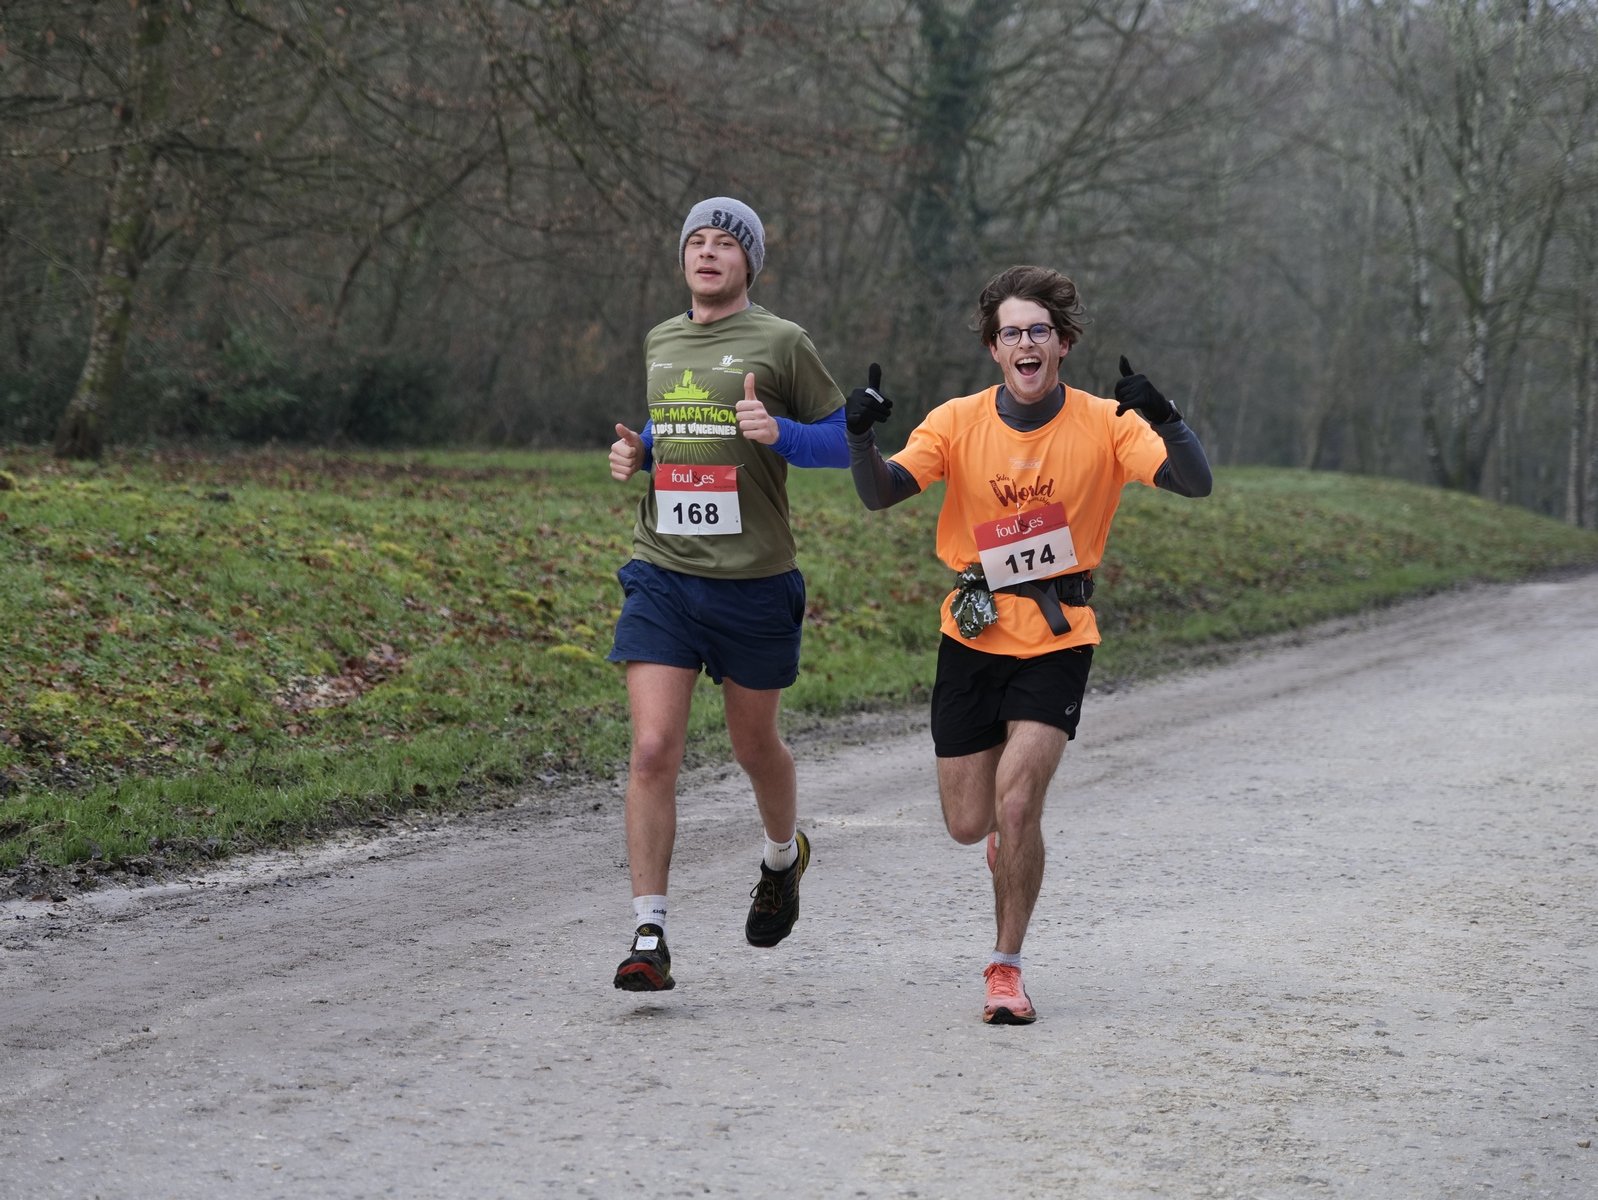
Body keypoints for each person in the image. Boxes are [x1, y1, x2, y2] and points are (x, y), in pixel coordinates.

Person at [845, 264, 1213, 1025]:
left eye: (1039, 331)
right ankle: (1003, 845)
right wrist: (858, 437)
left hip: (1058, 634)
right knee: (968, 823)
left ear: (1063, 343)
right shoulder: (955, 421)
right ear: (994, 348)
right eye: (1011, 332)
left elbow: (1194, 482)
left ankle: (1005, 969)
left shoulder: (1107, 423)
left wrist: (1168, 418)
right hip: (973, 631)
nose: (1025, 344)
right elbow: (881, 492)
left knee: (1017, 804)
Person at [606, 197, 849, 992]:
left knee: (754, 748)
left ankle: (782, 857)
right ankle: (649, 931)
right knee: (653, 749)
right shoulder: (661, 339)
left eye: (725, 244)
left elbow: (847, 441)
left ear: (749, 263)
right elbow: (678, 424)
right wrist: (642, 453)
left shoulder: (783, 343)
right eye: (697, 242)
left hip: (753, 582)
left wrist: (784, 434)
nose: (708, 253)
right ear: (683, 258)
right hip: (663, 573)